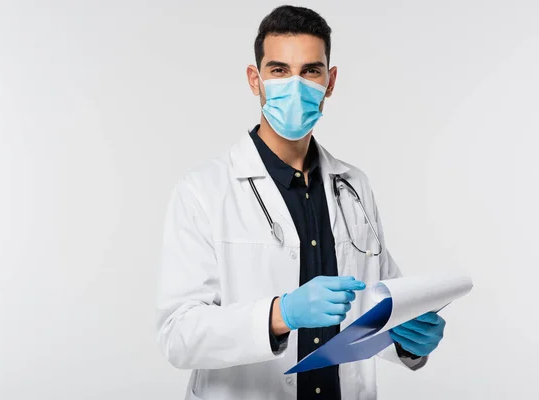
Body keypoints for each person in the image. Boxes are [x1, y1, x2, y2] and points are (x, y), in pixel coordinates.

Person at [155, 5, 446, 400]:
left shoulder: (354, 186)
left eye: (311, 70)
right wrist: (281, 314)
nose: (296, 84)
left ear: (330, 81)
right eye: (279, 70)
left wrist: (410, 338)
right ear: (254, 80)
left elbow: (378, 310)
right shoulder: (203, 191)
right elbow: (178, 335)